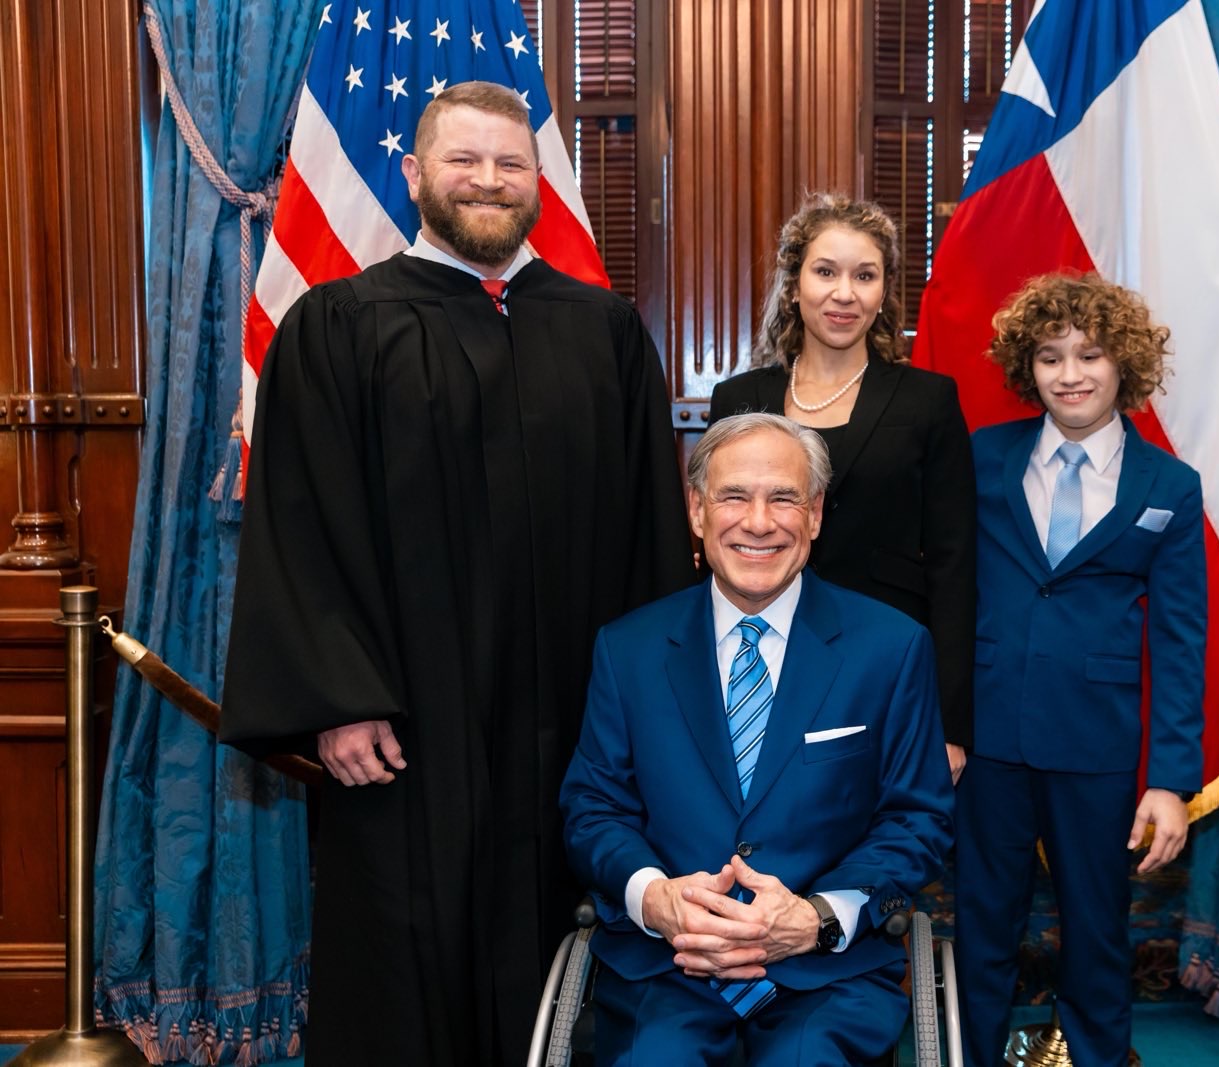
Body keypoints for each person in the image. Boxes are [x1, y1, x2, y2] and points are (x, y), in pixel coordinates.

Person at [219, 82, 694, 1067]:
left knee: (577, 950)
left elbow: (651, 533)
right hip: (404, 725)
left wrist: (649, 714)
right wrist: (337, 699)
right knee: (402, 959)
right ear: (414, 173)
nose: (488, 180)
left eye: (509, 163)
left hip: (574, 724)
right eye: (464, 160)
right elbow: (299, 527)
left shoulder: (603, 333)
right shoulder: (337, 327)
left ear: (537, 180)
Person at [561, 412, 955, 1065]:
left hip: (827, 974)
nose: (759, 521)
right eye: (735, 495)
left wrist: (818, 916)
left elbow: (919, 818)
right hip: (668, 966)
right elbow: (592, 808)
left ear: (817, 513)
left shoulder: (891, 647)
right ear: (696, 510)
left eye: (784, 497)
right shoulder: (626, 649)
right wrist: (655, 897)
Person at [954, 274, 1206, 1067]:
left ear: (1122, 362)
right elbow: (946, 597)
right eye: (1050, 356)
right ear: (1025, 368)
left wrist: (1169, 779)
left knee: (1096, 925)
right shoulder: (980, 460)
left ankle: (1099, 1054)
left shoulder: (1169, 485)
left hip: (1098, 747)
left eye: (1090, 355)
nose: (1070, 373)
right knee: (983, 921)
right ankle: (974, 1054)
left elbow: (1178, 638)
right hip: (987, 739)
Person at [708, 193, 976, 783]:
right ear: (795, 284)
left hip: (885, 661)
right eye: (825, 272)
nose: (844, 293)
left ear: (884, 294)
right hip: (763, 659)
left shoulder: (928, 400)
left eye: (865, 275)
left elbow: (956, 565)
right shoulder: (739, 400)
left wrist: (951, 722)